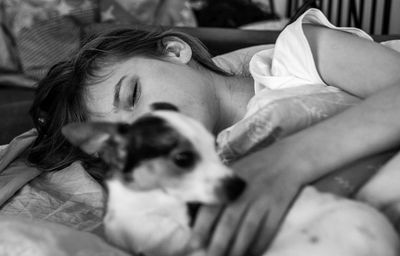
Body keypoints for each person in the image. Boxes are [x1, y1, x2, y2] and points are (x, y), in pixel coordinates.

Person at [27, 8, 400, 256]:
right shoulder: (193, 179)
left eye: (133, 94)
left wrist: (288, 162)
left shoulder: (297, 56)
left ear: (174, 51)